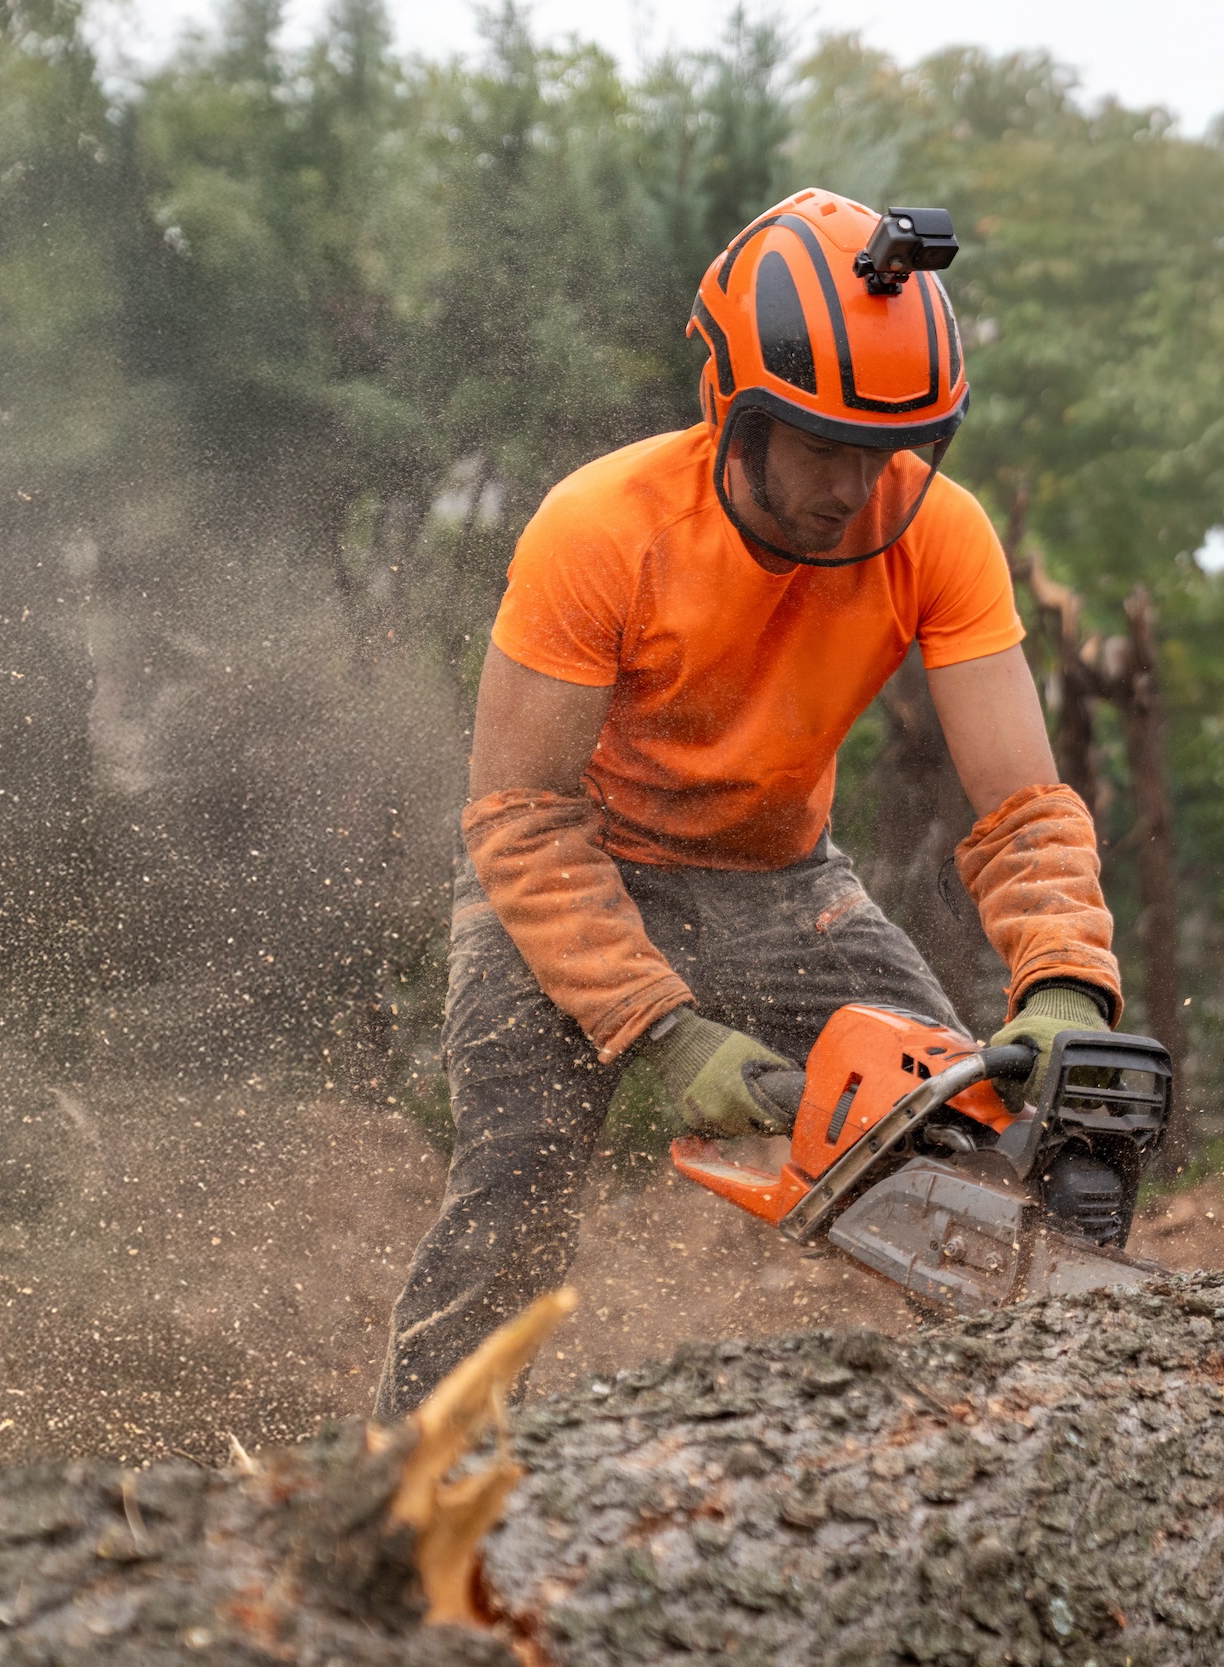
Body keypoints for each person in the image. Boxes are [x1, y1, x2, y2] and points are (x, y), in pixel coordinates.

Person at [372, 190, 1120, 1419]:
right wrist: (665, 1029)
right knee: (514, 1194)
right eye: (823, 445)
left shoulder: (938, 537)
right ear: (737, 406)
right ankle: (401, 1484)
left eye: (889, 450)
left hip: (782, 880)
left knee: (962, 1143)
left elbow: (1023, 805)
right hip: (574, 871)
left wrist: (1063, 981)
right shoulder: (599, 531)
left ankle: (1033, 1440)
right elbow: (518, 817)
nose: (856, 485)